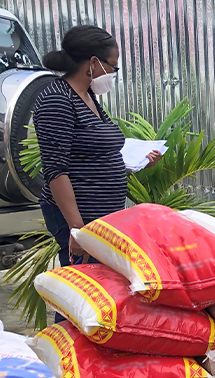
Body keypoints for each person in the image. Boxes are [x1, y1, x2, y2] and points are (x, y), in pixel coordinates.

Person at [34, 25, 160, 273]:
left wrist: (136, 162)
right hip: (79, 217)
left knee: (101, 288)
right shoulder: (57, 100)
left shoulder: (87, 96)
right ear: (93, 62)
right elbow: (56, 171)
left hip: (101, 215)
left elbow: (92, 152)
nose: (114, 73)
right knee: (84, 288)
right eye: (113, 66)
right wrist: (77, 229)